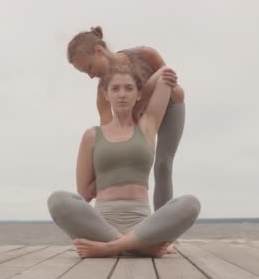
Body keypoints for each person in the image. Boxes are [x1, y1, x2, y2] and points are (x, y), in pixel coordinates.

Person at [47, 64, 200, 258]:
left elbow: (163, 77)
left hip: (144, 225)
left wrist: (169, 78)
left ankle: (111, 247)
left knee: (191, 204)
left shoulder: (147, 126)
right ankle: (138, 247)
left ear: (138, 94)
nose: (122, 94)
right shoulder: (92, 135)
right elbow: (83, 194)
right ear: (106, 94)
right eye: (115, 88)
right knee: (57, 200)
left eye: (129, 88)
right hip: (101, 224)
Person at [66, 26, 185, 211]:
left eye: (89, 67)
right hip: (139, 118)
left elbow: (178, 95)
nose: (90, 76)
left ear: (99, 51)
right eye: (85, 73)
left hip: (169, 107)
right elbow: (109, 139)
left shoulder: (146, 54)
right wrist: (96, 182)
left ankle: (163, 231)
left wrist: (161, 82)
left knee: (162, 164)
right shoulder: (103, 93)